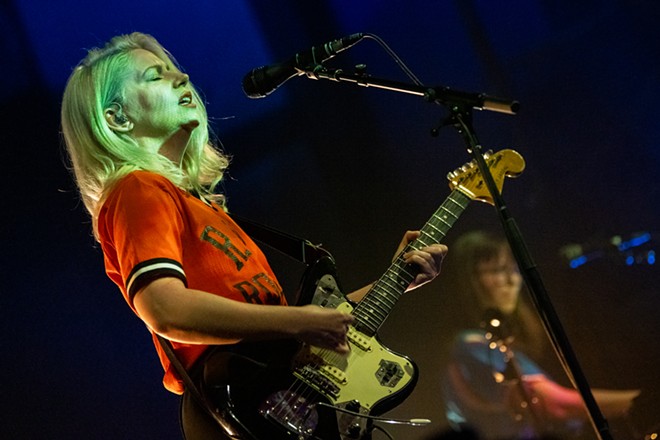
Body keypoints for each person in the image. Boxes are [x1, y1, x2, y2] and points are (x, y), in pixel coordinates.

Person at [60, 32, 448, 440]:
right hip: (235, 402)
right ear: (117, 118)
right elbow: (165, 309)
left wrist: (394, 280)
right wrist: (297, 322)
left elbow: (289, 333)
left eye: (176, 70)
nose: (182, 77)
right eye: (156, 76)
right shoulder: (137, 189)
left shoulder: (203, 207)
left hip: (269, 398)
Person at [440, 230, 640, 439]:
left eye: (514, 268)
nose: (511, 280)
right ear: (468, 281)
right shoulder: (471, 346)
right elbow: (553, 405)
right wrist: (637, 401)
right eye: (497, 270)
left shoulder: (489, 342)